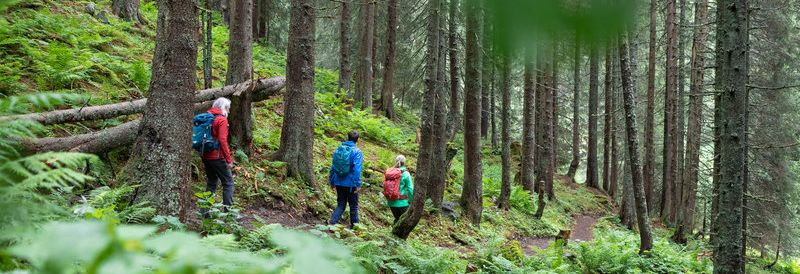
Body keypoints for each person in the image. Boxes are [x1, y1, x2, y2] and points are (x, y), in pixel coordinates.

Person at [202, 97, 235, 209]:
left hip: (205, 155)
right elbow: (222, 140)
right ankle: (228, 212)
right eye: (228, 108)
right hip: (217, 157)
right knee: (228, 183)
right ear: (224, 108)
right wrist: (228, 160)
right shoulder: (221, 120)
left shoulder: (206, 117)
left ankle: (205, 211)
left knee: (211, 182)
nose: (229, 111)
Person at [329, 130, 364, 228]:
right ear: (358, 140)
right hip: (351, 184)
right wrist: (358, 184)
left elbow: (333, 167)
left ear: (347, 137)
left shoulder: (338, 149)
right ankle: (355, 228)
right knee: (353, 206)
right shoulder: (357, 151)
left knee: (341, 204)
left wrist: (332, 181)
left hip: (339, 182)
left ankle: (332, 222)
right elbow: (357, 169)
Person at [387, 155, 414, 224]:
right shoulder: (406, 174)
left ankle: (392, 233)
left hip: (391, 202)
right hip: (403, 203)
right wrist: (411, 201)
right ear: (404, 162)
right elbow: (410, 189)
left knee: (397, 219)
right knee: (405, 223)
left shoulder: (390, 173)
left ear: (396, 162)